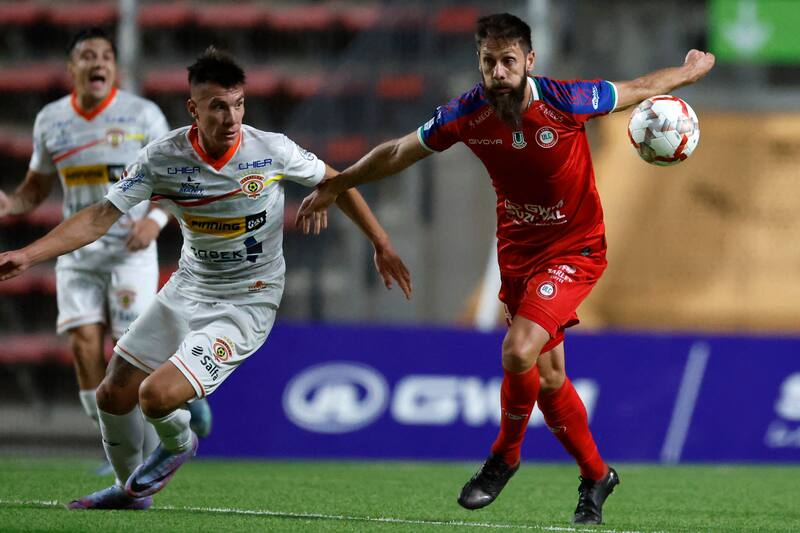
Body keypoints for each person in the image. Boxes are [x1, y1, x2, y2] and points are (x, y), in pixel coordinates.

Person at [296, 13, 715, 525]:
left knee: (517, 350)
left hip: (574, 250)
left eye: (508, 61)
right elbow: (398, 152)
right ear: (480, 62)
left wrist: (686, 73)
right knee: (550, 375)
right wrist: (340, 183)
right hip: (517, 253)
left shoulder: (566, 99)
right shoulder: (466, 113)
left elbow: (636, 89)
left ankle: (504, 457)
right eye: (489, 61)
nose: (498, 71)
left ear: (529, 62)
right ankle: (597, 476)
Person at [0, 46, 411, 510]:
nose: (231, 116)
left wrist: (382, 242)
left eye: (238, 104)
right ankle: (130, 491)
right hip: (188, 287)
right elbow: (100, 216)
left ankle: (178, 445)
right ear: (193, 108)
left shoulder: (270, 149)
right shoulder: (163, 159)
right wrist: (29, 255)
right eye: (218, 105)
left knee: (154, 396)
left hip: (247, 300)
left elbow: (338, 180)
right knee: (113, 393)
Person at [0, 27, 213, 469]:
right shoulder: (51, 121)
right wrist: (10, 203)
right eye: (87, 56)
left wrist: (154, 222)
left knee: (127, 350)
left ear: (115, 67)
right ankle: (118, 450)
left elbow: (181, 178)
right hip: (77, 251)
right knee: (82, 347)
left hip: (128, 249)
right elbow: (34, 191)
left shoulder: (143, 115)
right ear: (71, 68)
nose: (98, 62)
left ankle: (180, 408)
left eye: (106, 56)